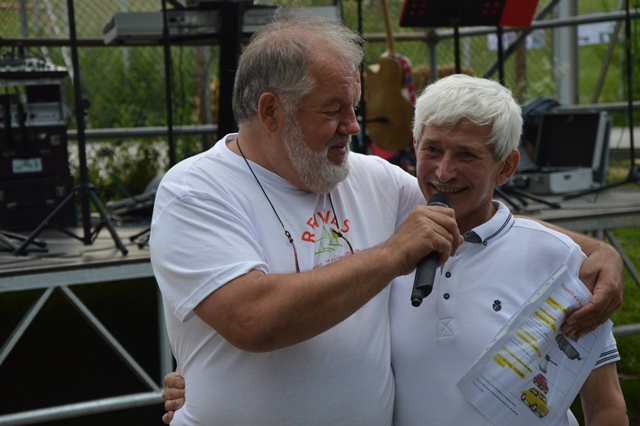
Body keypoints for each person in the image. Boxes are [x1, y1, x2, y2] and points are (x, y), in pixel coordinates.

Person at [152, 11, 623, 425]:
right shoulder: (196, 189)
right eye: (333, 110)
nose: (353, 126)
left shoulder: (367, 176)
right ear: (271, 110)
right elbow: (253, 321)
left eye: (354, 107)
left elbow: (472, 209)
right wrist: (394, 254)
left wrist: (595, 251)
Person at [389, 74, 628, 425]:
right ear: (415, 146)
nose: (444, 171)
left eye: (466, 154)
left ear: (506, 167)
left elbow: (605, 405)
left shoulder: (559, 258)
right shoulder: (385, 251)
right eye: (432, 149)